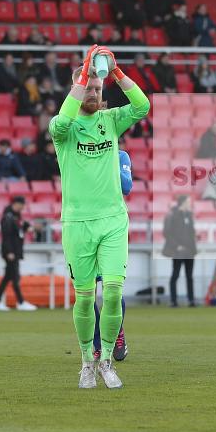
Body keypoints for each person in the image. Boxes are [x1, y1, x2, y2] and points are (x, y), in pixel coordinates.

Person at [48, 45, 149, 388]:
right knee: (85, 296)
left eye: (97, 88)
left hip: (113, 221)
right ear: (76, 88)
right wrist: (84, 73)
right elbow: (62, 120)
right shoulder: (64, 130)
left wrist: (118, 73)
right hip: (77, 223)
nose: (93, 92)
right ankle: (86, 361)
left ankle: (107, 359)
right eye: (87, 87)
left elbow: (142, 105)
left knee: (115, 291)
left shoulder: (111, 120)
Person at [93, 151, 133, 362]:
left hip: (111, 228)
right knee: (87, 294)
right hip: (85, 226)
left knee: (113, 291)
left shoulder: (120, 156)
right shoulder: (81, 153)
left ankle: (117, 332)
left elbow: (127, 186)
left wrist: (108, 165)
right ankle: (98, 344)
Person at [0, 196, 35, 311]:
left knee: (8, 277)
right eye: (22, 204)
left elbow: (18, 231)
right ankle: (20, 302)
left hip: (15, 251)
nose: (23, 207)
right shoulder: (8, 217)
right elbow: (7, 236)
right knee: (14, 277)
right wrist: (9, 251)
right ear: (16, 204)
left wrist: (26, 227)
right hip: (10, 252)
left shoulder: (16, 216)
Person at [163, 195, 197, 307]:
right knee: (175, 275)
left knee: (189, 276)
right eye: (188, 201)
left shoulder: (189, 215)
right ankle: (173, 300)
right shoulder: (173, 215)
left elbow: (191, 232)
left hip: (189, 251)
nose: (189, 204)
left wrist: (193, 248)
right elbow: (167, 232)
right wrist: (176, 246)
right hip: (178, 251)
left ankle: (191, 300)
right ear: (182, 202)